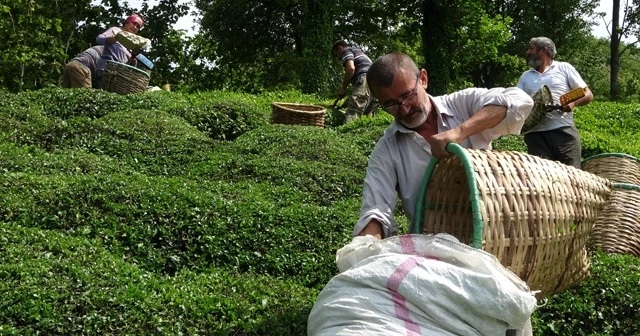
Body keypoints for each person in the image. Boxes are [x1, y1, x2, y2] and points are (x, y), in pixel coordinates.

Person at [353, 52, 535, 335]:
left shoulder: (462, 104)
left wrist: (459, 132)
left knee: (511, 316)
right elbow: (376, 208)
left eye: (408, 95)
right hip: (437, 257)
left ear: (423, 78)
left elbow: (519, 101)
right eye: (390, 104)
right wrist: (362, 250)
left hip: (493, 239)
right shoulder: (387, 150)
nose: (403, 109)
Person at [516, 37, 594, 169]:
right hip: (535, 136)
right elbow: (516, 101)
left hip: (563, 133)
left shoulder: (563, 68)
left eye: (531, 48)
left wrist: (573, 104)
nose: (528, 52)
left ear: (543, 51)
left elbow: (588, 94)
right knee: (542, 181)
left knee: (573, 178)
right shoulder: (526, 76)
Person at [332, 40, 379, 123]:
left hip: (364, 77)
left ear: (340, 48)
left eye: (336, 54)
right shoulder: (358, 52)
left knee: (354, 109)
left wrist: (343, 88)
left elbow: (350, 68)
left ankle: (346, 134)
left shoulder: (346, 51)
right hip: (375, 81)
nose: (338, 58)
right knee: (369, 113)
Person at [95, 14, 145, 82]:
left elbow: (124, 62)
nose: (135, 27)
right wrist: (108, 39)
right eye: (134, 23)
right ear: (127, 22)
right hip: (105, 70)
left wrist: (132, 62)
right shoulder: (116, 31)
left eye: (138, 26)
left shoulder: (131, 44)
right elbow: (98, 39)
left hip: (118, 75)